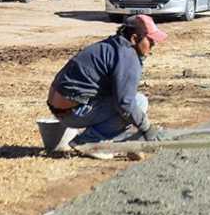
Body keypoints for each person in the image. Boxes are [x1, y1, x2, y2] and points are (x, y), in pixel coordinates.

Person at [47, 15, 167, 159]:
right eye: (150, 40)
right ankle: (88, 142)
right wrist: (147, 128)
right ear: (134, 38)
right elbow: (125, 104)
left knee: (129, 106)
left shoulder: (112, 46)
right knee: (139, 102)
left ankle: (120, 142)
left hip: (61, 108)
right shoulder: (127, 56)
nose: (154, 44)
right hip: (73, 113)